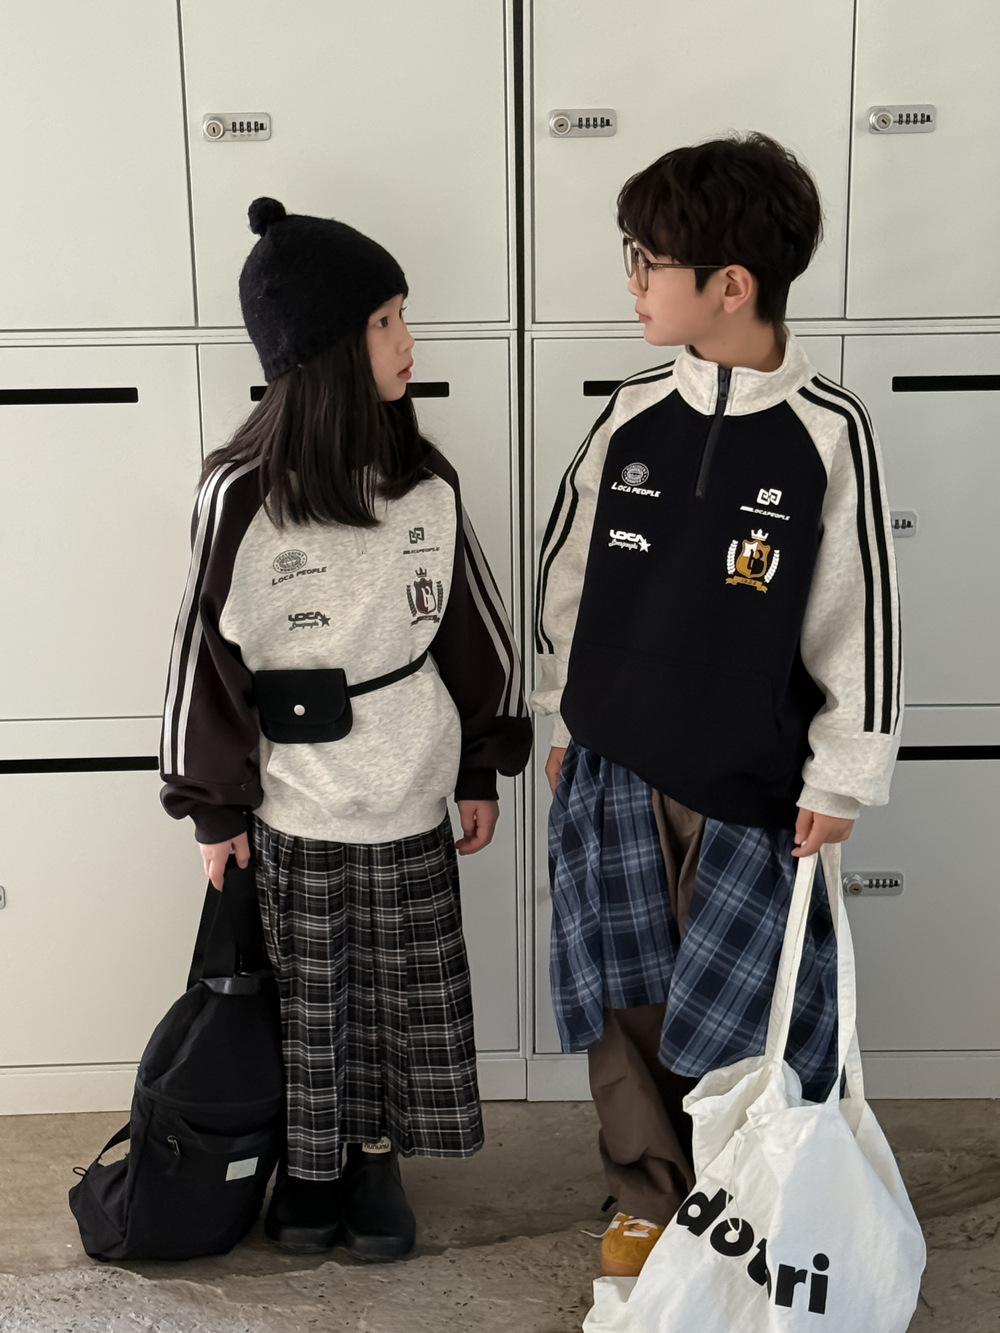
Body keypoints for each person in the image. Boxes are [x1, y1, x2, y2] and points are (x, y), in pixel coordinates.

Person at [531, 133, 901, 1278]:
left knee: (749, 1002)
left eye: (648, 262)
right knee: (624, 996)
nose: (632, 284)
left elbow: (859, 617)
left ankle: (741, 1197)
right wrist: (559, 714)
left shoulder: (828, 431)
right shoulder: (631, 412)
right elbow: (567, 573)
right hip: (614, 763)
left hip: (750, 780)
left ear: (729, 284)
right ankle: (645, 1193)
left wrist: (843, 773)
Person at [159, 197, 532, 1261]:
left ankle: (375, 1161)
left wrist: (482, 767)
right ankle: (308, 1169)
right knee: (310, 1004)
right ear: (320, 350)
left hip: (409, 792)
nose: (408, 341)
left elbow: (474, 632)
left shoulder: (426, 486)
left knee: (399, 1001)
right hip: (296, 804)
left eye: (402, 315)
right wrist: (212, 807)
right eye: (384, 321)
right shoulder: (239, 496)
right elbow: (201, 661)